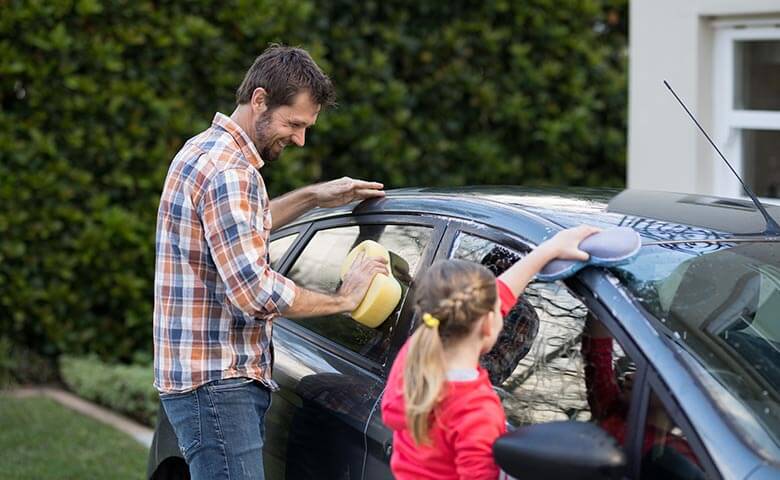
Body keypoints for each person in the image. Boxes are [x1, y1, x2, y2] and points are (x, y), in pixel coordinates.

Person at [153, 45, 388, 480]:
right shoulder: (231, 173)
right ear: (260, 99)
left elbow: (240, 228)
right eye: (294, 123)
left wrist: (313, 196)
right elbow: (254, 293)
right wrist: (345, 298)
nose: (299, 138)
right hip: (218, 385)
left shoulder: (206, 150)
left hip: (204, 378)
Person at [381, 226, 600, 479]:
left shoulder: (416, 352)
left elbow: (501, 294)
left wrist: (548, 250)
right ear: (487, 323)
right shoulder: (475, 411)